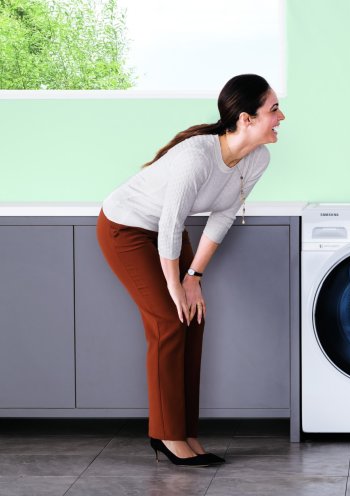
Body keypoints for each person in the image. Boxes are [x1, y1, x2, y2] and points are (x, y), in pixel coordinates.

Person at [96, 74, 284, 466]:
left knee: (193, 318)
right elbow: (169, 223)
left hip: (167, 234)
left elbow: (223, 216)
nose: (281, 116)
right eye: (273, 110)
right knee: (169, 319)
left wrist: (193, 278)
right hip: (125, 228)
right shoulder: (197, 156)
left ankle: (185, 431)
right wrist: (175, 287)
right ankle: (166, 436)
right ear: (246, 119)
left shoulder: (258, 158)